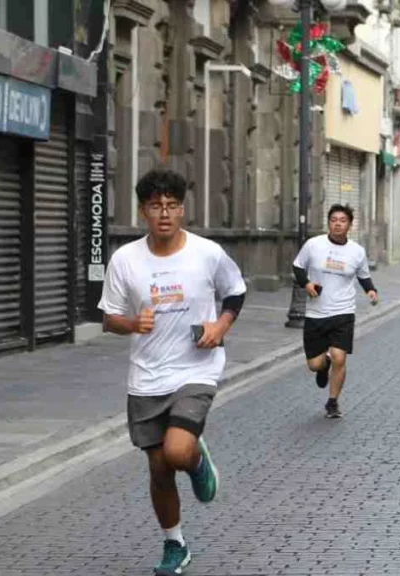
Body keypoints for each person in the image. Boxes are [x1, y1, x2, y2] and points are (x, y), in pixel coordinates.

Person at [99, 168, 247, 576]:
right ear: (144, 210)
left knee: (178, 451)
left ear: (182, 209)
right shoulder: (125, 260)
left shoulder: (207, 253)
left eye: (172, 205)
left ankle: (197, 461)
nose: (164, 213)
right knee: (159, 469)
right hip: (146, 376)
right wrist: (131, 324)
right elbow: (108, 318)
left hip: (195, 369)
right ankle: (175, 544)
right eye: (155, 206)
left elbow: (235, 290)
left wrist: (220, 326)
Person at [292, 204, 379, 419]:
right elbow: (298, 266)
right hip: (316, 313)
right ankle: (324, 365)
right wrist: (307, 284)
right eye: (333, 220)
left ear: (349, 224)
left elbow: (363, 275)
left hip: (343, 311)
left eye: (342, 220)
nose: (338, 223)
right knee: (314, 365)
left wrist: (371, 290)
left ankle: (333, 402)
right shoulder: (313, 245)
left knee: (340, 357)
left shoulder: (357, 251)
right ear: (328, 223)